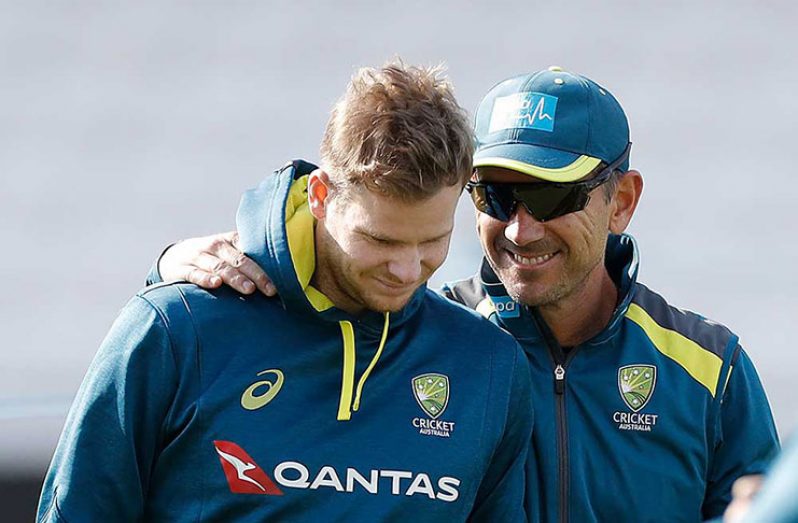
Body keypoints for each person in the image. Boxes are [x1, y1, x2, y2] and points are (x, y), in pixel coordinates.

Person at [153, 66, 780, 522]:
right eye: (495, 196)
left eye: (550, 197)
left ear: (622, 201)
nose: (519, 228)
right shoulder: (413, 335)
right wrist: (171, 269)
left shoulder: (709, 369)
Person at [37, 62, 536, 522]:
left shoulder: (488, 366)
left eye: (433, 241)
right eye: (379, 240)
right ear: (320, 196)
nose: (407, 269)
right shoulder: (175, 329)